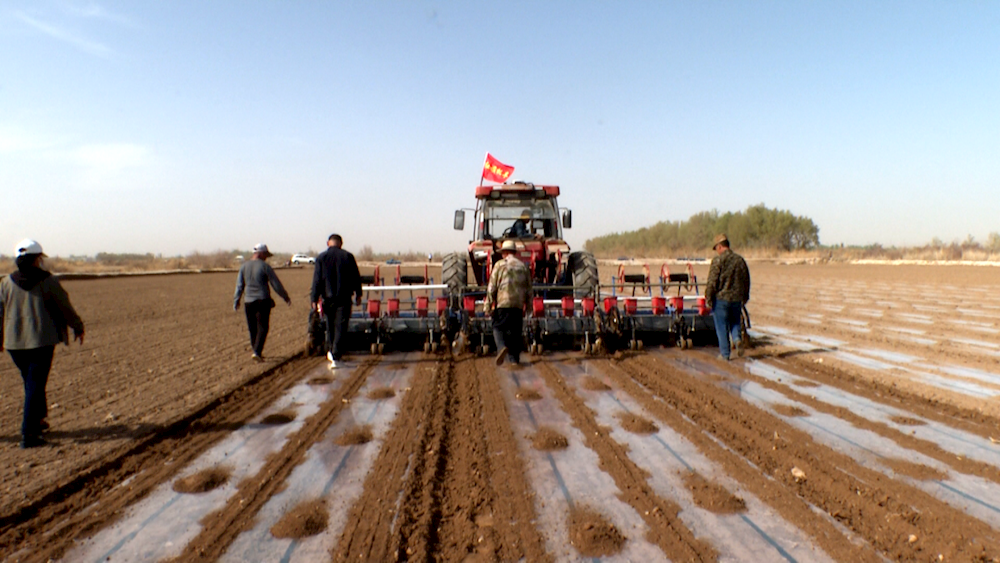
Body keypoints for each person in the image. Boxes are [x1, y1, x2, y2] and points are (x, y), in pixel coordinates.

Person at [0, 239, 84, 448]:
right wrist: (77, 326)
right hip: (41, 341)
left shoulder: (5, 283)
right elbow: (64, 306)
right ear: (37, 259)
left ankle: (38, 420)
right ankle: (29, 435)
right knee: (34, 385)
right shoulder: (48, 281)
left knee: (31, 383)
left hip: (14, 344)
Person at [311, 234, 362, 369]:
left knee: (330, 325)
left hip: (327, 298)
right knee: (340, 326)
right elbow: (356, 277)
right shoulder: (348, 257)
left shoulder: (321, 258)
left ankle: (331, 351)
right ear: (341, 243)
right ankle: (336, 354)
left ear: (328, 243)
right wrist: (358, 294)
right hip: (344, 298)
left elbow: (316, 280)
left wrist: (314, 298)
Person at [233, 243, 291, 362]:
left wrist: (236, 300)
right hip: (262, 300)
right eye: (266, 255)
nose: (266, 258)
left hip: (248, 302)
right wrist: (285, 297)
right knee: (263, 327)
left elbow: (239, 286)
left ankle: (256, 351)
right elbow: (276, 284)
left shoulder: (244, 267)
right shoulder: (265, 267)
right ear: (261, 254)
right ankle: (257, 351)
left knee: (252, 328)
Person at [484, 239, 532, 366]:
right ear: (514, 252)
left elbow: (492, 287)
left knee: (498, 326)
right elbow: (529, 290)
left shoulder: (499, 265)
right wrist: (529, 308)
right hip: (518, 305)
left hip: (503, 303)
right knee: (515, 332)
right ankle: (514, 361)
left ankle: (501, 347)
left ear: (504, 253)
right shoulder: (523, 266)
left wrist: (487, 306)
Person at [705, 233, 751, 360]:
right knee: (735, 321)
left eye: (716, 248)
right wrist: (745, 296)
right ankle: (737, 339)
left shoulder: (718, 261)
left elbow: (712, 282)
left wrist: (708, 298)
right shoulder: (740, 260)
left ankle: (725, 354)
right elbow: (746, 280)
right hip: (736, 299)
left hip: (721, 299)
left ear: (720, 246)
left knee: (721, 326)